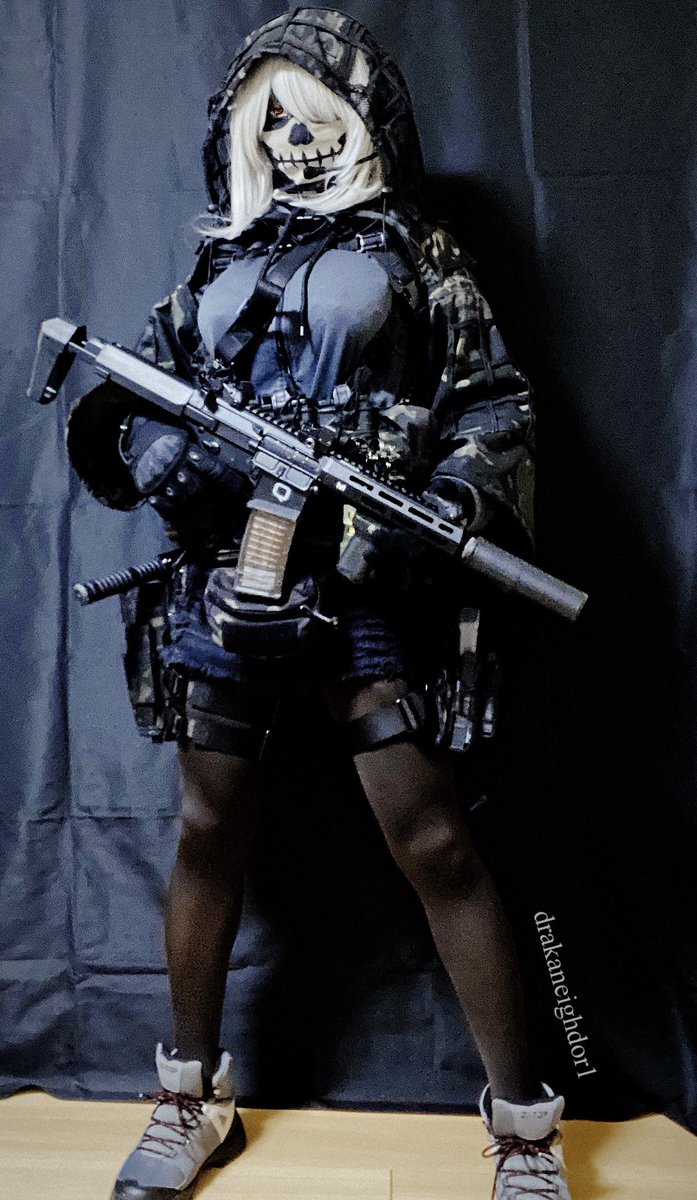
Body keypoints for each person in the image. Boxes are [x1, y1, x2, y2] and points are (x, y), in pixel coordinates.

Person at [66, 9, 572, 1200]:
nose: (295, 141)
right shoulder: (216, 262)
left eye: (317, 117)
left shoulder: (417, 253)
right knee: (207, 829)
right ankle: (188, 1097)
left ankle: (525, 1131)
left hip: (359, 572)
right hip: (225, 570)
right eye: (273, 122)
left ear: (362, 120)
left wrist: (444, 497)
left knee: (432, 837)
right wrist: (148, 453)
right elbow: (122, 393)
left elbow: (495, 400)